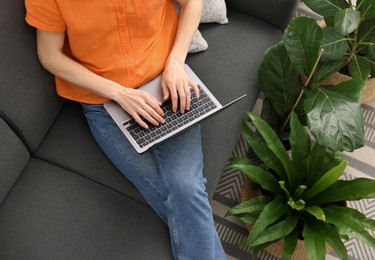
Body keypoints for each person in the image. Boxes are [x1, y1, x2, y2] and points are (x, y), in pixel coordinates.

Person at [24, 0, 226, 259]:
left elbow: (192, 3)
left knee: (184, 185)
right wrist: (119, 93)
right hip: (105, 101)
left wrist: (175, 63)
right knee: (184, 194)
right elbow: (49, 55)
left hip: (166, 85)